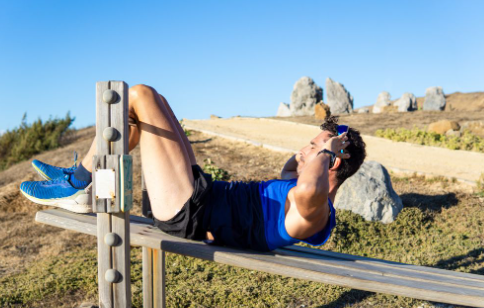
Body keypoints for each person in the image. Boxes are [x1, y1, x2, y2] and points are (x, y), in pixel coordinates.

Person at [20, 84, 366, 252]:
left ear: (332, 162)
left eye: (313, 147)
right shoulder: (299, 192)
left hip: (189, 212)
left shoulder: (313, 208)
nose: (304, 150)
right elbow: (293, 167)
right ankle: (89, 184)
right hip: (200, 195)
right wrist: (326, 140)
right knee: (146, 110)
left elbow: (309, 186)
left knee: (139, 95)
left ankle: (81, 183)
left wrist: (329, 147)